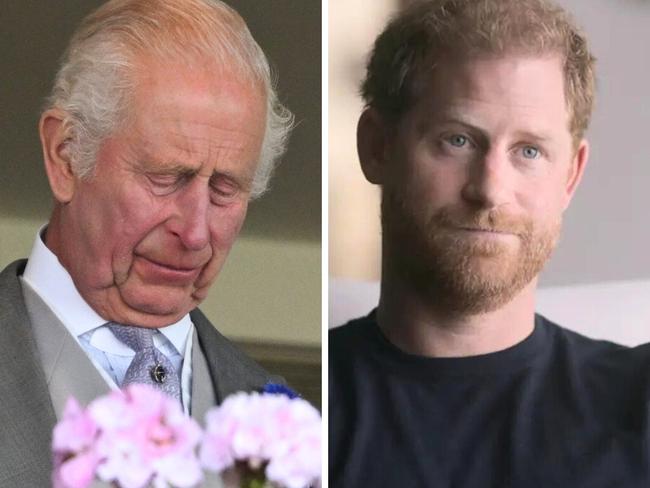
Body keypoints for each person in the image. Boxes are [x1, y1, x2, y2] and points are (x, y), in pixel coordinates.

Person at [329, 0, 650, 486]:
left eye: (528, 151)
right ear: (377, 147)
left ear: (571, 175)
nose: (489, 190)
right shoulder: (292, 418)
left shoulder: (640, 401)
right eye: (457, 140)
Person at [0, 0, 294, 485]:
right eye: (166, 177)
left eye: (225, 188)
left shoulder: (295, 428)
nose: (196, 232)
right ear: (66, 156)